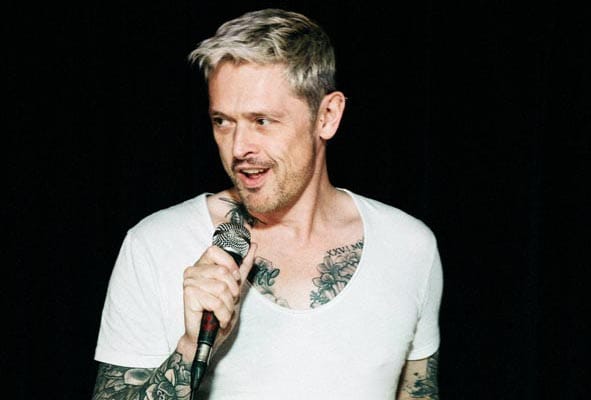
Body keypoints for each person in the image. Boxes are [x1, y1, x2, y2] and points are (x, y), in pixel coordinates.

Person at [92, 8, 443, 400]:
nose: (239, 148)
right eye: (222, 121)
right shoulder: (155, 245)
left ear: (327, 116)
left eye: (262, 121)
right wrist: (191, 347)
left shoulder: (408, 246)